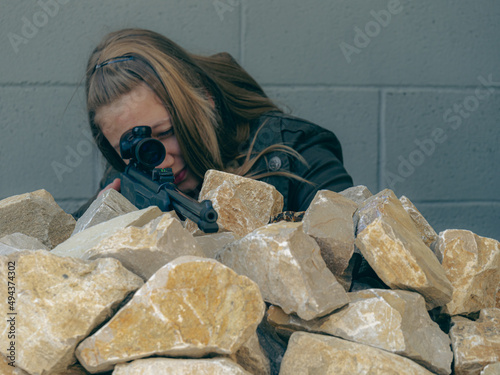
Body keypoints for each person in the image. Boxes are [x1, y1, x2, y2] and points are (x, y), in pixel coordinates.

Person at [73, 28, 353, 219]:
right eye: (134, 151)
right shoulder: (127, 178)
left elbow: (356, 255)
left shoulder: (298, 151)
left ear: (206, 99)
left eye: (167, 132)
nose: (160, 163)